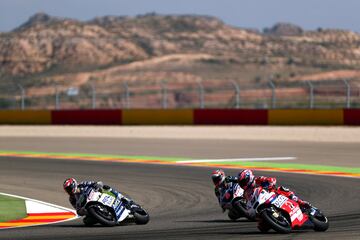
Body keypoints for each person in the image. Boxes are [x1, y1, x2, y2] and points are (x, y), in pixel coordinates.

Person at [63, 178, 132, 222]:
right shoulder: (72, 199)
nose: (68, 191)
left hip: (97, 196)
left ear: (74, 185)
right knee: (86, 221)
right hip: (88, 206)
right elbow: (77, 209)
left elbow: (94, 183)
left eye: (69, 189)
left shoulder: (82, 184)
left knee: (106, 187)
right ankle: (104, 216)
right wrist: (81, 211)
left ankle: (121, 197)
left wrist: (97, 185)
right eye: (67, 190)